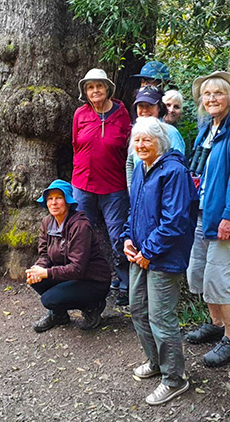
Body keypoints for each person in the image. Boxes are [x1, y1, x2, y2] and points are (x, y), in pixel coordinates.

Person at [185, 71, 230, 368]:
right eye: (207, 94)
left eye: (218, 93)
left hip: (228, 218)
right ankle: (215, 325)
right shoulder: (209, 125)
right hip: (205, 212)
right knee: (199, 273)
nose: (212, 98)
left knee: (221, 280)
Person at [122, 117, 198, 405]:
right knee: (137, 309)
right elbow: (135, 210)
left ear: (160, 143)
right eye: (137, 140)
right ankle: (156, 362)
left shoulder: (174, 171)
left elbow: (175, 221)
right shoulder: (142, 168)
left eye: (147, 140)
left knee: (161, 318)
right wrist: (128, 240)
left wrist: (148, 251)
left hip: (164, 256)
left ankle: (175, 379)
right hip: (141, 253)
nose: (141, 145)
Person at [71, 68, 132, 306]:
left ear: (107, 88)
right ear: (85, 92)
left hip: (114, 186)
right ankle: (93, 281)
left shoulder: (122, 114)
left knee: (118, 236)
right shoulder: (80, 114)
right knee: (84, 234)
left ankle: (125, 285)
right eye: (90, 87)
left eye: (99, 86)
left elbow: (128, 149)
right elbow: (76, 145)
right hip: (83, 184)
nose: (95, 91)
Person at [26, 180, 111, 332]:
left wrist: (46, 273)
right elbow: (45, 254)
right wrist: (39, 267)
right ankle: (59, 315)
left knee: (49, 299)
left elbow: (77, 269)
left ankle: (93, 306)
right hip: (69, 275)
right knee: (34, 278)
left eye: (59, 197)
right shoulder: (47, 222)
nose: (54, 203)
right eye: (50, 199)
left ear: (68, 201)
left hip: (92, 280)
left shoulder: (80, 225)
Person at [126, 86, 186, 187]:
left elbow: (178, 168)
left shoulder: (170, 132)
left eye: (150, 105)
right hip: (140, 191)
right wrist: (132, 190)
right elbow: (130, 162)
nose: (145, 110)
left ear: (159, 107)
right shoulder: (136, 131)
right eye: (141, 106)